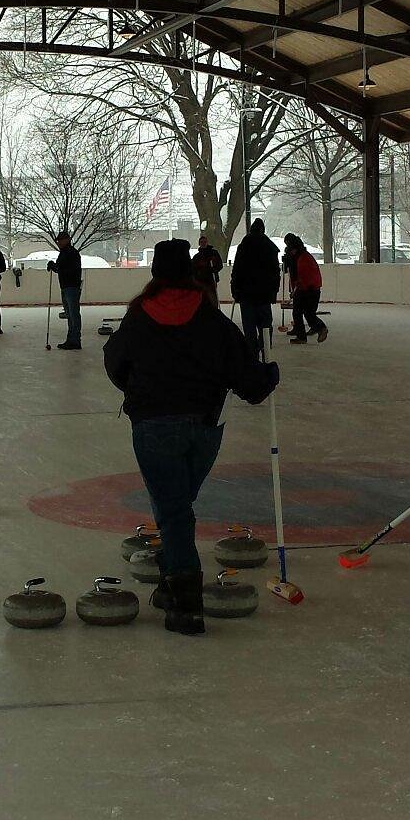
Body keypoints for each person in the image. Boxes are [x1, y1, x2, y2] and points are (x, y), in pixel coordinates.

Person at [103, 240, 279, 635]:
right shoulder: (212, 319)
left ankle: (186, 604)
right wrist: (268, 376)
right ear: (190, 272)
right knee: (177, 505)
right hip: (204, 429)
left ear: (155, 274)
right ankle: (170, 584)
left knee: (175, 509)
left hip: (154, 427)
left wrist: (135, 388)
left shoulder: (138, 317)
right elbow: (249, 381)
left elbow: (114, 363)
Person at [230, 218, 282, 360]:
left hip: (246, 294)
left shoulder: (244, 246)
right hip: (264, 294)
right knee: (265, 325)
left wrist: (235, 290)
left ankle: (252, 357)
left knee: (249, 327)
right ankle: (266, 352)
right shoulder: (269, 247)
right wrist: (273, 292)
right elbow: (275, 273)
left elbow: (237, 271)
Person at [282, 233, 327, 344]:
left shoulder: (302, 259)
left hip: (307, 289)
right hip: (310, 288)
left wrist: (296, 290)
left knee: (302, 312)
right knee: (305, 312)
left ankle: (318, 329)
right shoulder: (302, 256)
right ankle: (304, 331)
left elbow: (301, 276)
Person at [47, 232, 83, 350]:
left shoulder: (72, 253)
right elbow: (61, 268)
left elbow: (71, 269)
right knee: (70, 314)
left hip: (71, 286)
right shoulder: (63, 253)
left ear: (67, 240)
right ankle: (71, 339)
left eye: (61, 240)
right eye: (58, 241)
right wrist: (54, 266)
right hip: (66, 286)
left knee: (73, 314)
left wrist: (58, 268)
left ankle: (75, 340)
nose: (59, 243)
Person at [192, 235, 224, 307]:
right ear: (199, 243)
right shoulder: (197, 256)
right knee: (203, 297)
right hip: (201, 280)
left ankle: (214, 311)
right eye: (201, 242)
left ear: (207, 242)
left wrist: (212, 270)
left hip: (211, 279)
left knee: (212, 297)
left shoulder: (213, 253)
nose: (203, 243)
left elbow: (219, 265)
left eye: (204, 242)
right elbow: (193, 269)